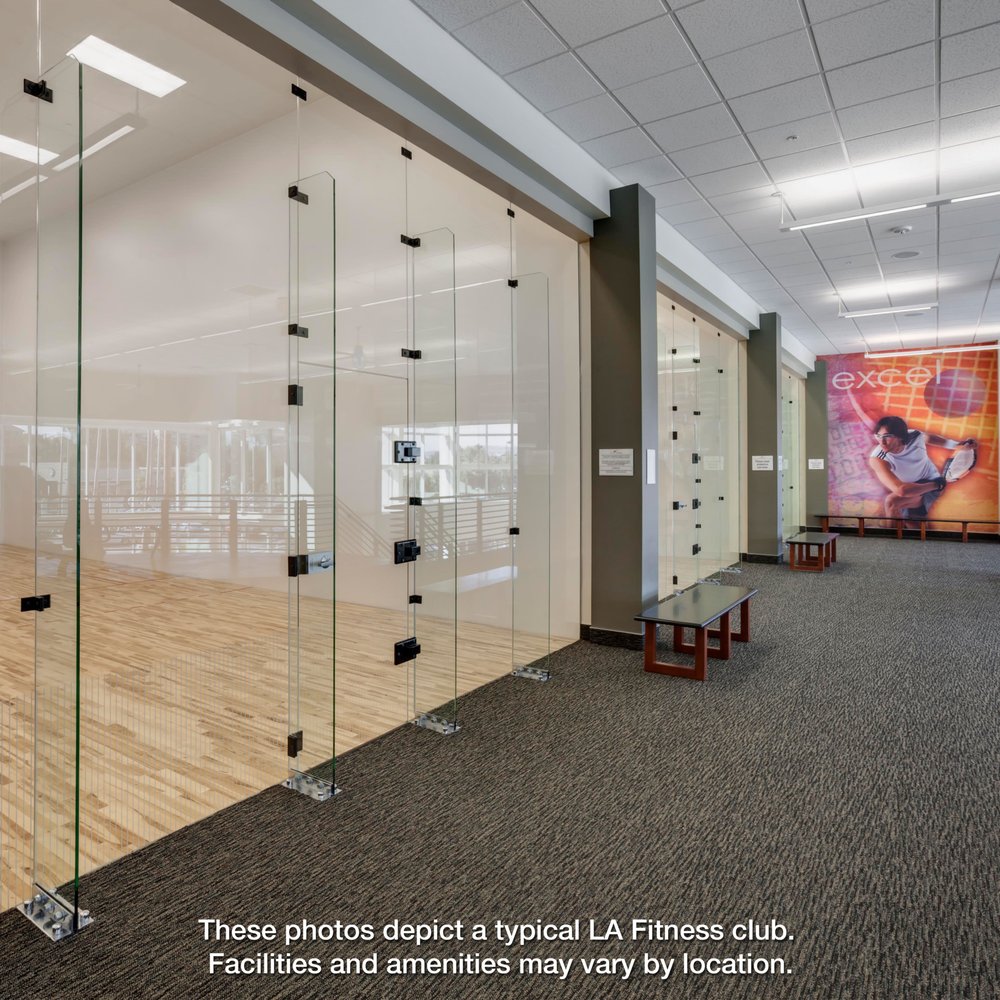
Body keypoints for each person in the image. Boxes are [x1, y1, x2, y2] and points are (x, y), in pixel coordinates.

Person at [867, 415, 976, 525]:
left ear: (900, 436)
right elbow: (901, 490)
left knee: (891, 502)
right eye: (878, 436)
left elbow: (929, 438)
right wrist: (938, 484)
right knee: (914, 525)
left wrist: (956, 445)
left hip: (930, 483)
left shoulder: (915, 436)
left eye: (887, 436)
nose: (882, 442)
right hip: (918, 488)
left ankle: (891, 537)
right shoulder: (878, 459)